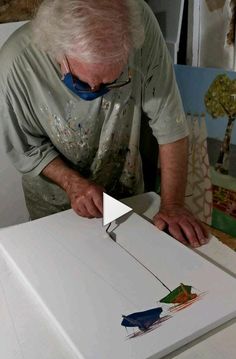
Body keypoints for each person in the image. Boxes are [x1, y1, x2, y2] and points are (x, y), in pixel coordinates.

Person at [0, 0, 208, 248]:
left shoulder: (137, 25)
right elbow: (28, 149)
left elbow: (168, 120)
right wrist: (71, 183)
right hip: (54, 205)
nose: (97, 92)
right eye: (83, 82)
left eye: (112, 81)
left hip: (126, 193)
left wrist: (173, 204)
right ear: (58, 51)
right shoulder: (16, 65)